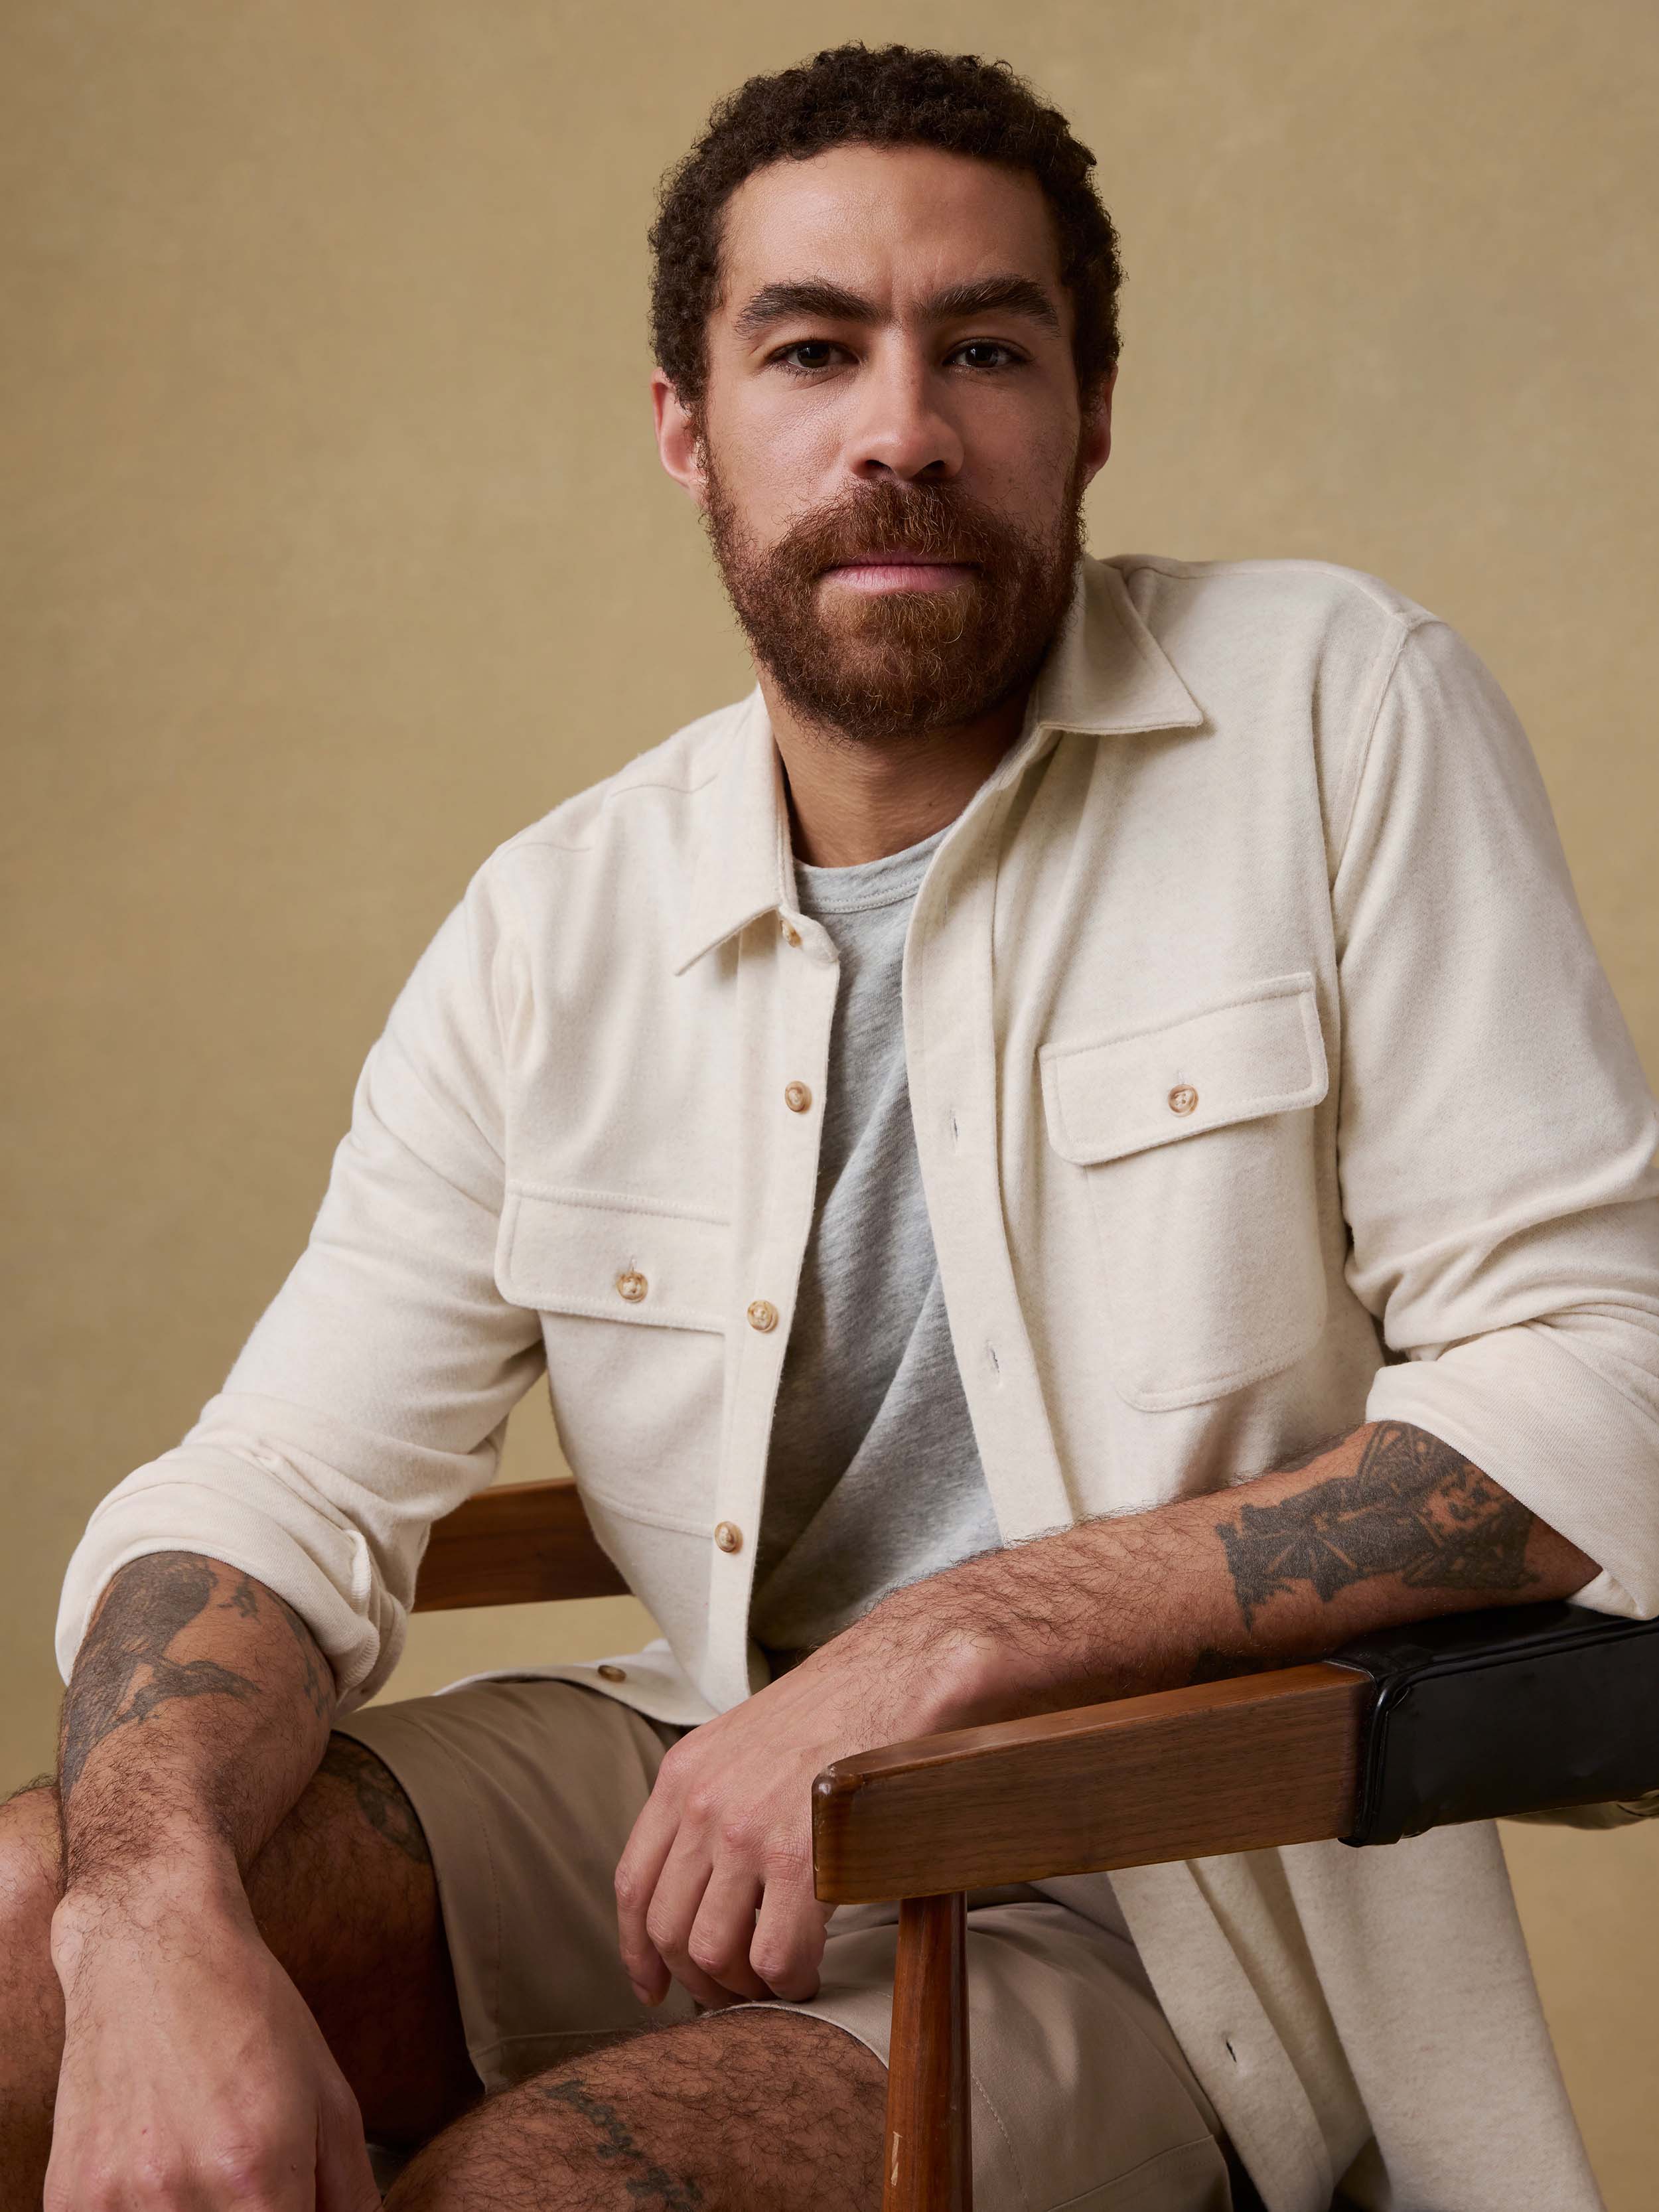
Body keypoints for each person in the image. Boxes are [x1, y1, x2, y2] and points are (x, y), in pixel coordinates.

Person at [5, 39, 1656, 2212]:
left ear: (1088, 411)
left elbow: (1599, 1381)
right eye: (812, 348)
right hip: (689, 1777)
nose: (899, 428)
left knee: (533, 2193)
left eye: (982, 346)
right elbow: (284, 1475)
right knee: (36, 1927)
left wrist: (944, 1639)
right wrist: (145, 1913)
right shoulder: (554, 919)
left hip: (1160, 1889)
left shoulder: (1334, 709)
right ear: (685, 427)